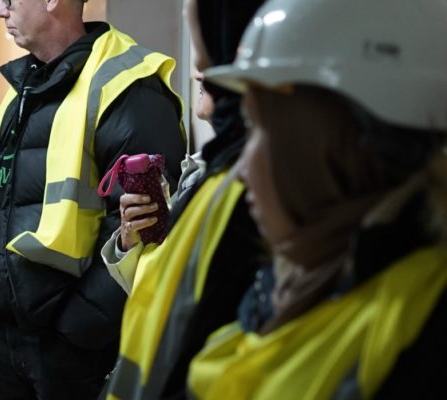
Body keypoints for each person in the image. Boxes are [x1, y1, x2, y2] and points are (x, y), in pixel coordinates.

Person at [187, 0, 447, 397]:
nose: (241, 171)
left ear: (334, 145)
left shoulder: (422, 332)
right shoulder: (290, 280)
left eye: (259, 128)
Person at [0, 0, 186, 397]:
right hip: (6, 331)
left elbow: (147, 232)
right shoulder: (28, 86)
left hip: (71, 345)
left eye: (10, 1)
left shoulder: (128, 88)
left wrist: (80, 324)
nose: (1, 12)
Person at [98, 1, 267, 398]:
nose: (196, 64)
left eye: (209, 50)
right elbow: (163, 286)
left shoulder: (243, 180)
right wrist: (132, 240)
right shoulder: (203, 169)